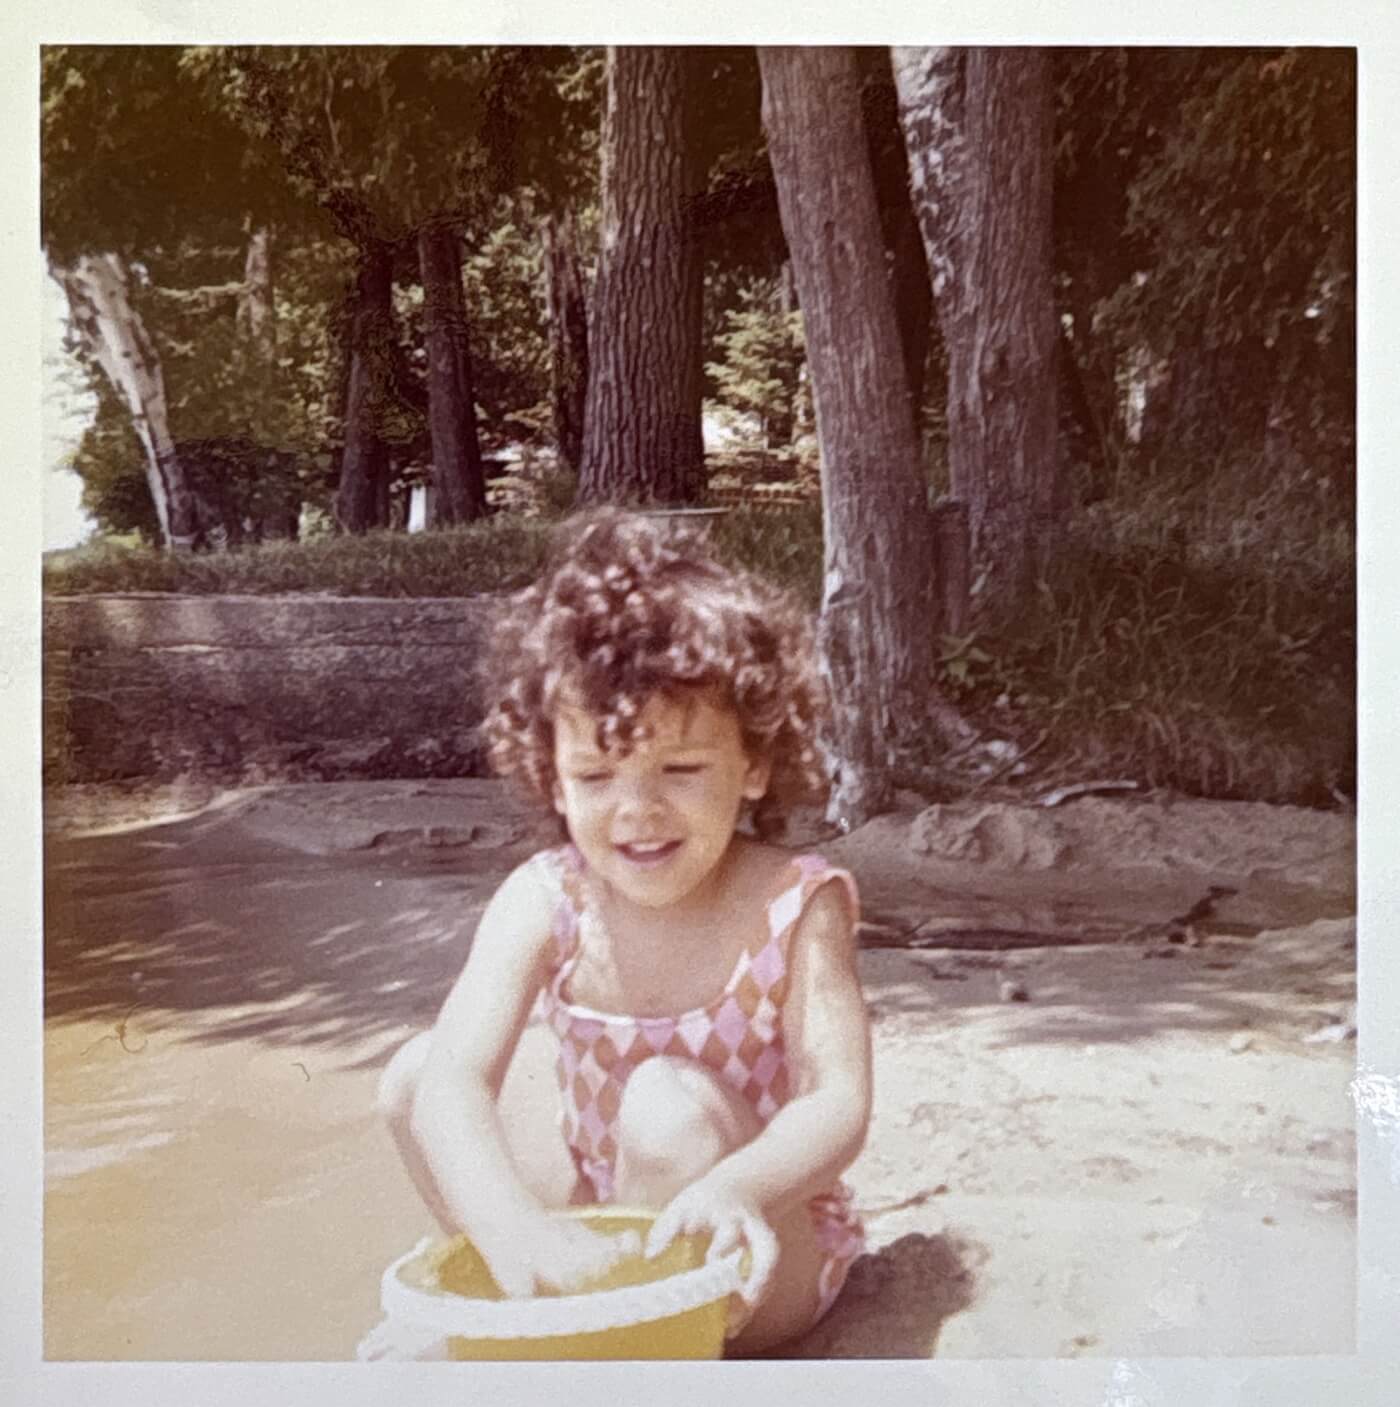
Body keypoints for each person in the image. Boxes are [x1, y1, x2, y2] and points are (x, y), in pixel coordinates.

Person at [377, 509, 872, 1355]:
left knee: (666, 1107)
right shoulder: (544, 896)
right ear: (553, 778)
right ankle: (529, 1295)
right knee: (414, 1075)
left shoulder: (794, 900)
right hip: (605, 1194)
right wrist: (509, 1228)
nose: (637, 810)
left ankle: (612, 1351)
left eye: (681, 770)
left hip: (749, 1239)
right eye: (597, 775)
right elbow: (454, 1082)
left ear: (753, 763)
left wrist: (741, 1188)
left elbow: (839, 1102)